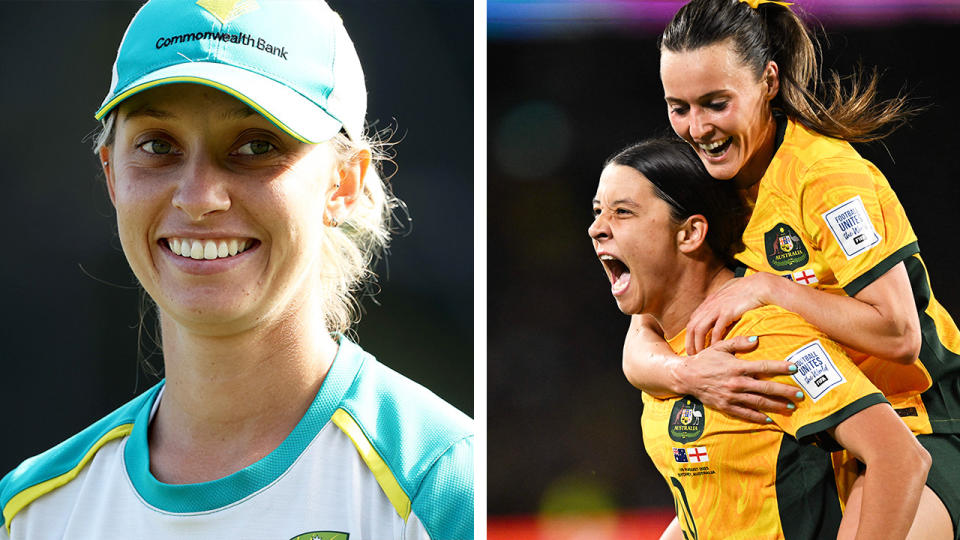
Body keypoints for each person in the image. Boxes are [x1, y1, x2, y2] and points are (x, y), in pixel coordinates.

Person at [0, 1, 473, 539]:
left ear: (342, 183)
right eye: (158, 145)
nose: (198, 196)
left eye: (256, 146)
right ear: (112, 177)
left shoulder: (444, 487)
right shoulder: (32, 513)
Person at [621, 0, 960, 536]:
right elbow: (642, 340)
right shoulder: (707, 184)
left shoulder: (826, 176)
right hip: (818, 441)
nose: (696, 128)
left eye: (715, 103)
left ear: (768, 82)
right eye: (678, 107)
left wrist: (767, 289)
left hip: (916, 424)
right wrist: (685, 374)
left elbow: (899, 335)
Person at [590, 137, 929, 539]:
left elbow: (899, 456)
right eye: (597, 212)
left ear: (691, 233)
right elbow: (722, 497)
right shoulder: (666, 351)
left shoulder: (764, 337)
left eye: (622, 213)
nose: (596, 229)